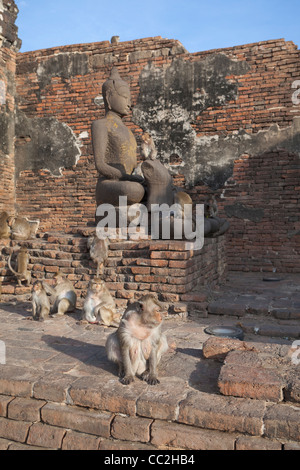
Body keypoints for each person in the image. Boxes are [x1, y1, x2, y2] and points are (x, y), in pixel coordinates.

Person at [92, 67, 145, 208]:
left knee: (152, 188)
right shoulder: (101, 125)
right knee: (133, 190)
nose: (129, 103)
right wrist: (126, 177)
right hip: (109, 184)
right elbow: (101, 165)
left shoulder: (129, 132)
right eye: (124, 97)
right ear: (109, 97)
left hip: (127, 181)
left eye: (130, 98)